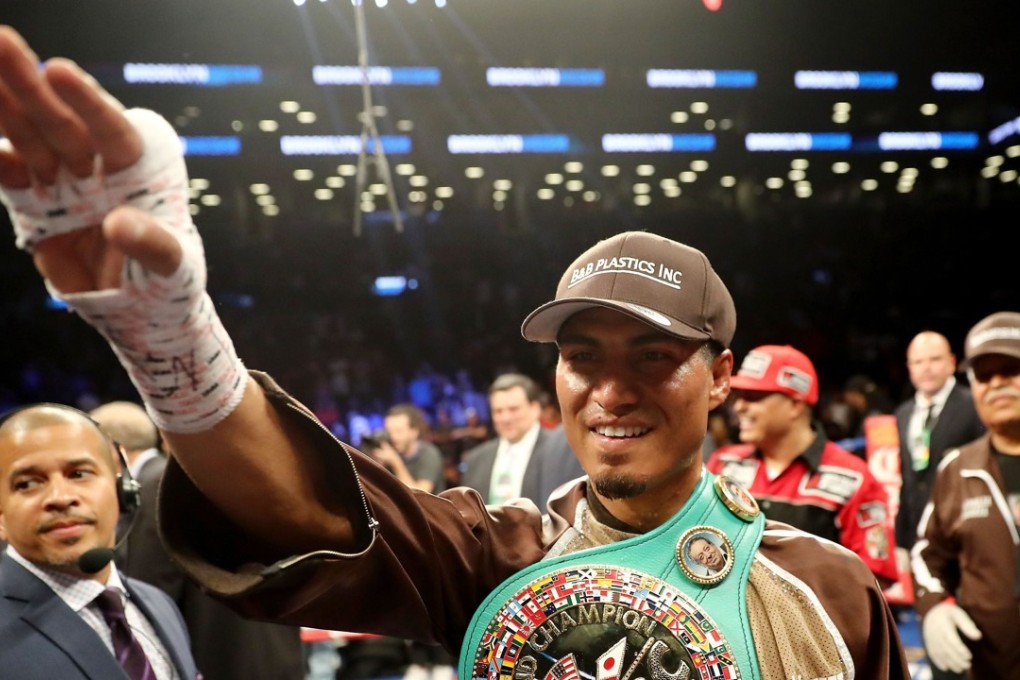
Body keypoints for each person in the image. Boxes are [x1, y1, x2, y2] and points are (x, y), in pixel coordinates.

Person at [0, 28, 908, 680]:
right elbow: (295, 510)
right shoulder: (500, 556)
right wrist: (169, 337)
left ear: (719, 376)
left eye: (653, 355)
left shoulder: (825, 585)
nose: (610, 389)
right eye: (583, 355)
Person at [89, 401, 306, 680]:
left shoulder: (157, 488)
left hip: (214, 659)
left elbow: (150, 596)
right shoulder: (257, 482)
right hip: (276, 657)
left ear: (110, 446)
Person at [0, 402, 200, 680]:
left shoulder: (159, 604)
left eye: (79, 474)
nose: (60, 496)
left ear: (123, 490)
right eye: (27, 483)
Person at [706, 344, 900, 586]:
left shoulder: (853, 479)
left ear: (796, 405)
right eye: (739, 396)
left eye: (754, 397)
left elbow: (874, 578)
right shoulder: (723, 465)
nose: (739, 406)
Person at [912, 311, 1020, 679]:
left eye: (1011, 369)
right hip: (986, 664)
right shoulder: (957, 468)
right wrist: (935, 606)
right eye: (985, 375)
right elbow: (927, 556)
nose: (997, 383)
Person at [895, 331, 985, 559]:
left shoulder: (974, 404)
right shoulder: (903, 413)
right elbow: (906, 480)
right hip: (918, 535)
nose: (926, 368)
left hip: (965, 532)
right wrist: (901, 541)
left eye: (934, 359)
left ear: (952, 363)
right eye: (918, 362)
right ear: (909, 367)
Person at [460, 373, 582, 507]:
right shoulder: (476, 460)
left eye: (513, 409)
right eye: (498, 411)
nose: (505, 418)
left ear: (535, 409)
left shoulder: (561, 451)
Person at [366, 404, 446, 493]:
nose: (393, 437)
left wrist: (395, 462)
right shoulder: (392, 452)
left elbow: (420, 496)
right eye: (389, 431)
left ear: (414, 431)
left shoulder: (429, 454)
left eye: (398, 431)